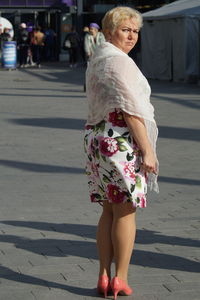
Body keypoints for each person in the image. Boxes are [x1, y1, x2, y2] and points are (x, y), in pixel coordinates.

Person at [84, 6, 159, 300]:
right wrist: (148, 151)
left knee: (108, 209)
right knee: (125, 211)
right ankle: (120, 279)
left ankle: (103, 276)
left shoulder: (97, 58)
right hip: (120, 141)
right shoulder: (120, 62)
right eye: (125, 29)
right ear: (110, 30)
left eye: (136, 31)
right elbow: (131, 110)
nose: (132, 36)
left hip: (97, 138)